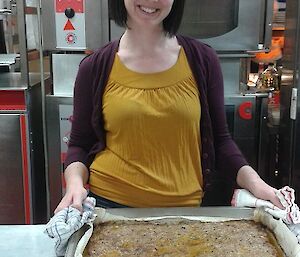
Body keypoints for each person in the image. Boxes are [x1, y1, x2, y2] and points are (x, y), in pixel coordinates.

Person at [55, 0, 282, 213]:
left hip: (185, 209)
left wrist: (256, 183)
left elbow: (221, 141)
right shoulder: (95, 68)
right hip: (109, 206)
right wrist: (74, 184)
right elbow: (79, 146)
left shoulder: (203, 60)